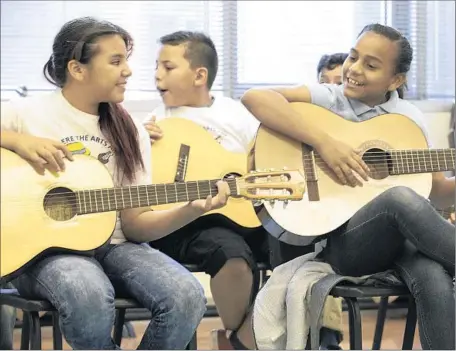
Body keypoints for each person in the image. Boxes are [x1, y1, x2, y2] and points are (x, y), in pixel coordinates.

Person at [1, 17, 232, 350]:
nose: (128, 70)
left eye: (126, 60)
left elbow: (136, 225)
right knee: (88, 293)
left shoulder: (130, 130)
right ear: (78, 70)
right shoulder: (26, 113)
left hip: (116, 246)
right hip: (39, 253)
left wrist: (190, 210)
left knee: (186, 296)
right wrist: (16, 141)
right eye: (115, 61)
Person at [241, 23, 455, 350]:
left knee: (434, 278)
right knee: (398, 198)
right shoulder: (330, 98)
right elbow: (255, 97)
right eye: (353, 57)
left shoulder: (409, 117)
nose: (354, 69)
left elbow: (435, 189)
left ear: (396, 80)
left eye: (370, 65)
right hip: (346, 244)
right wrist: (325, 143)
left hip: (401, 244)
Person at [144, 31, 344, 350]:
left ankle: (321, 337)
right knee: (231, 255)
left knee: (306, 240)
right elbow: (147, 181)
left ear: (200, 75)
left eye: (167, 67)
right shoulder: (156, 122)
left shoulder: (236, 112)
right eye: (157, 66)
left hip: (247, 212)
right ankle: (242, 340)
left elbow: (266, 156)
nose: (157, 74)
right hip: (194, 222)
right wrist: (140, 141)